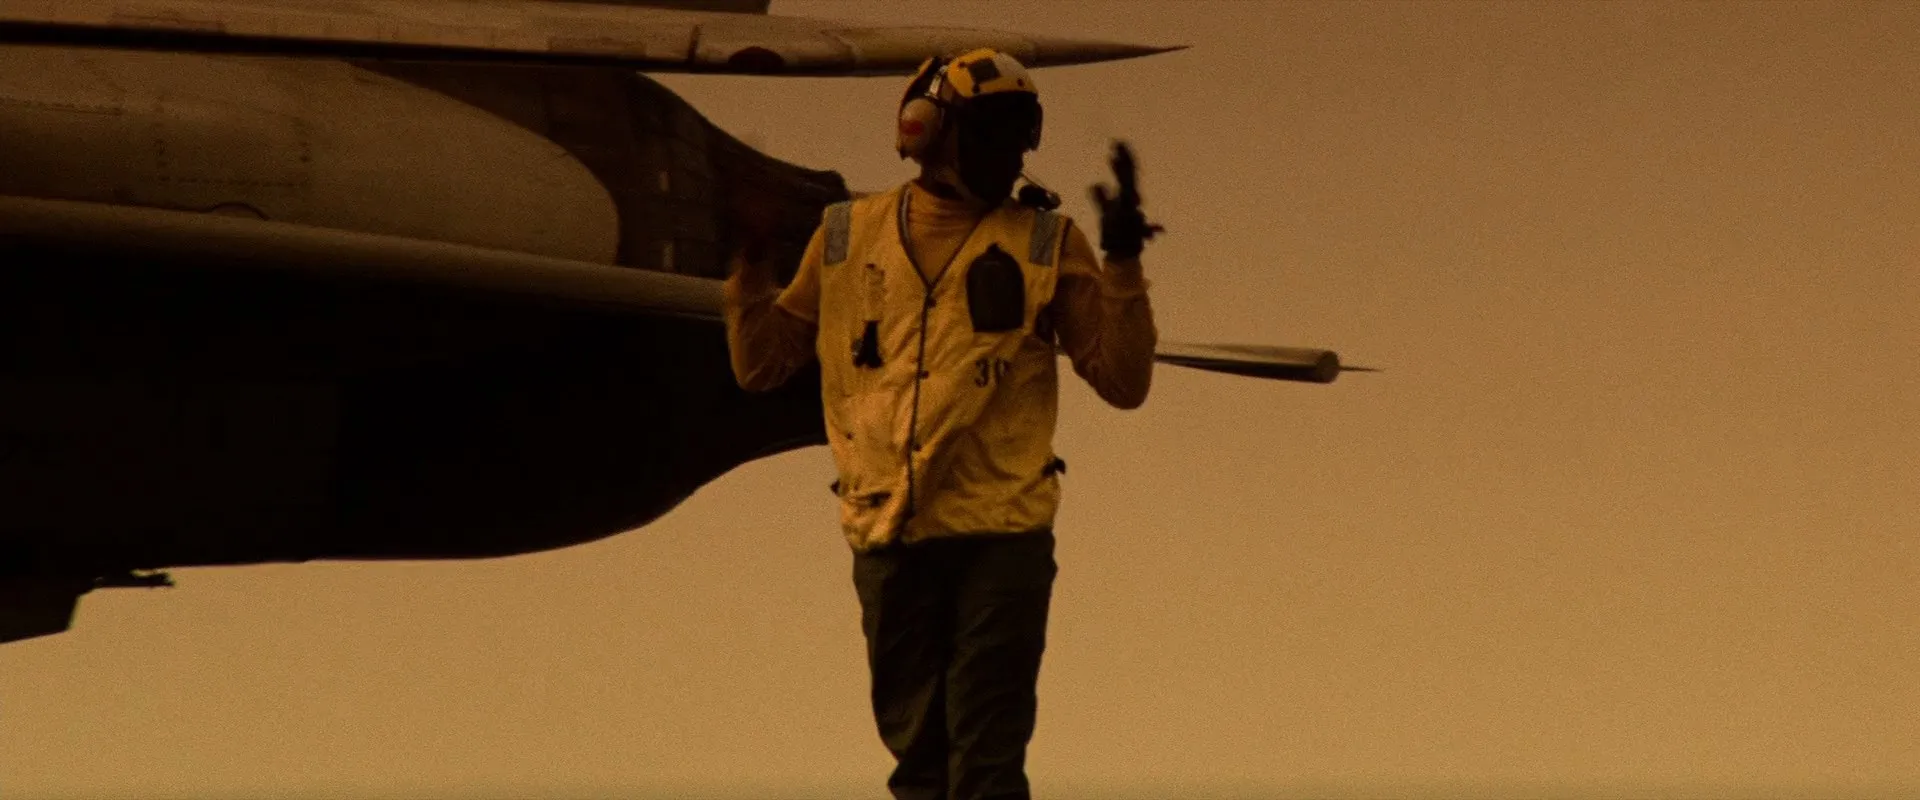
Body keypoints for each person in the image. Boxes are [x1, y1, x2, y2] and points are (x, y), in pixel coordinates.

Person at [722, 48, 1162, 800]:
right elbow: (761, 366)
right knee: (918, 768)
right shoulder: (844, 237)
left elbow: (1124, 381)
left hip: (1001, 534)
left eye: (1019, 138)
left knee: (985, 765)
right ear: (930, 132)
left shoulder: (1044, 243)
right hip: (888, 536)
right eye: (992, 135)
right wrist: (752, 264)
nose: (1010, 157)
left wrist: (1121, 263)